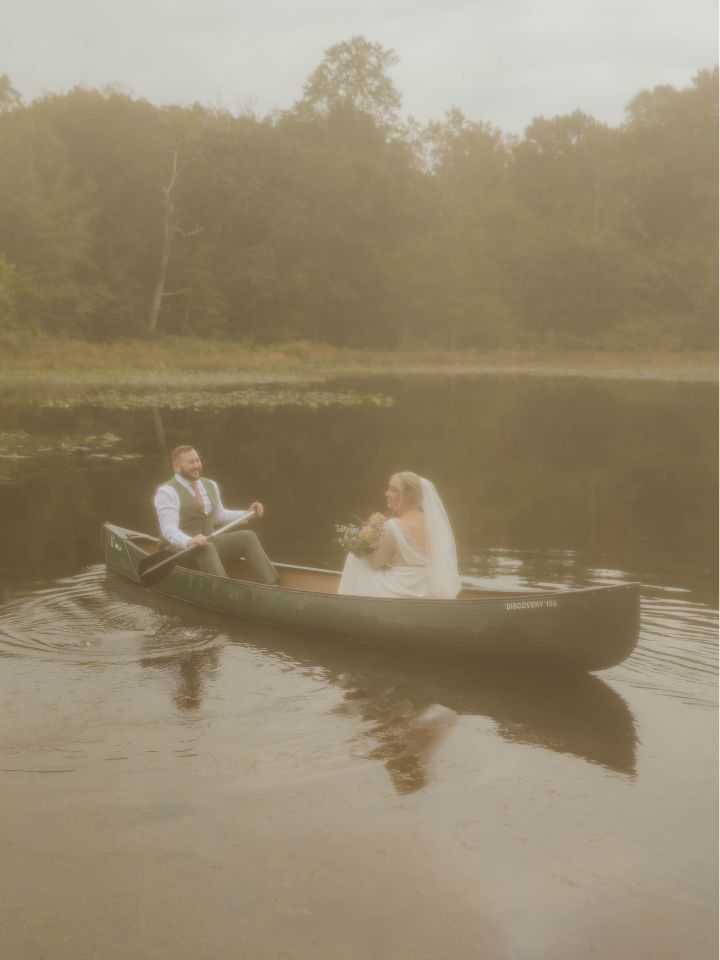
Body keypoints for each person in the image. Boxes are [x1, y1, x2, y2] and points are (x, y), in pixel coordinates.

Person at [153, 445, 279, 584]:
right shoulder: (167, 492)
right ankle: (224, 591)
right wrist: (190, 541)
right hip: (176, 552)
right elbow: (168, 529)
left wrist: (248, 514)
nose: (196, 465)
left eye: (197, 460)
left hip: (206, 545)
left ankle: (273, 584)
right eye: (190, 462)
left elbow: (219, 515)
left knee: (248, 537)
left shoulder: (210, 485)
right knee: (204, 547)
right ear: (176, 467)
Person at [337, 472, 461, 599]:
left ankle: (348, 603)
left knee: (354, 558)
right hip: (424, 584)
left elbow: (376, 562)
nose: (387, 494)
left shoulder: (393, 526)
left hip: (401, 587)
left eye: (393, 490)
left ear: (407, 496)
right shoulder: (432, 522)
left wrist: (365, 538)